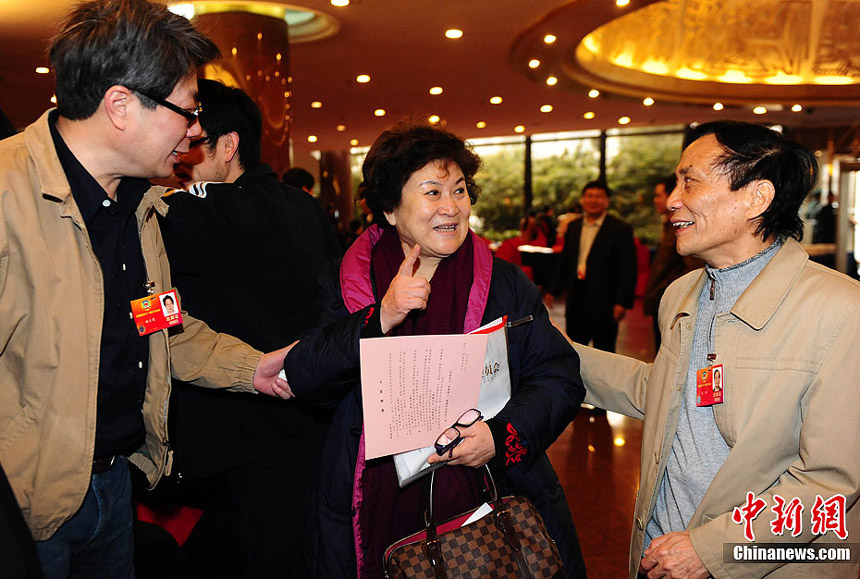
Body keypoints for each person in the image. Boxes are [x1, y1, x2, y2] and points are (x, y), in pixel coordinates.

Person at [0, 1, 292, 576]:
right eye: (186, 110)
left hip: (114, 485)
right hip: (24, 507)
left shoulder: (141, 207)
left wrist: (251, 369)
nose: (195, 130)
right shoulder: (8, 195)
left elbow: (158, 325)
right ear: (120, 105)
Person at [282, 123, 588, 579]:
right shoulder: (342, 280)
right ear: (389, 208)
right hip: (372, 497)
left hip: (487, 491)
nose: (451, 207)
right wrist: (379, 317)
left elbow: (559, 377)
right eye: (432, 192)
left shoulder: (503, 283)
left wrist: (500, 437)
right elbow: (306, 377)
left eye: (459, 190)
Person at [572, 121, 860, 579]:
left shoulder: (841, 312)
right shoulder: (682, 294)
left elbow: (828, 482)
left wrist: (711, 550)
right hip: (663, 551)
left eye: (690, 180)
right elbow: (667, 394)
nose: (671, 200)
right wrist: (552, 351)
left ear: (756, 198)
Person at [159, 79, 342, 578]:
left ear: (228, 144)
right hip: (308, 421)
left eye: (190, 140)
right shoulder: (304, 206)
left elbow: (145, 288)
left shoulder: (201, 211)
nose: (175, 154)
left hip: (236, 429)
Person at [547, 180, 637, 352]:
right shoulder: (573, 227)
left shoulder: (620, 228)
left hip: (606, 299)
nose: (593, 200)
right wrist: (553, 290)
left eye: (598, 197)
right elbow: (565, 261)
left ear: (607, 201)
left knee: (604, 348)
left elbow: (628, 268)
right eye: (589, 196)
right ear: (582, 199)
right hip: (576, 295)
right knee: (575, 346)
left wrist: (622, 303)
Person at [642, 175, 704, 351]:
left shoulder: (683, 228)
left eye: (658, 195)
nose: (658, 201)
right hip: (663, 299)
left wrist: (668, 289)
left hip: (674, 301)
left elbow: (693, 267)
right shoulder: (669, 226)